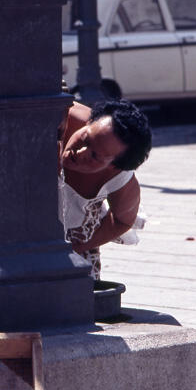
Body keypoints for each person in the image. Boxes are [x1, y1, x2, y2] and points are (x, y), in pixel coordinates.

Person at [58, 98, 152, 279]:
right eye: (85, 138)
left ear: (114, 166)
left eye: (95, 156)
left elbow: (123, 221)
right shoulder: (62, 113)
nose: (80, 152)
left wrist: (80, 246)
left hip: (72, 240)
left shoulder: (120, 178)